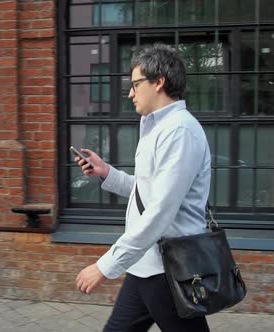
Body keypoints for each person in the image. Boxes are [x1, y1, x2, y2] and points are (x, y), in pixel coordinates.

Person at [74, 44, 211, 332]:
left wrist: (105, 265)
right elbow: (147, 192)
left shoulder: (179, 131)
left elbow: (160, 211)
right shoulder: (156, 127)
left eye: (136, 84)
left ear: (159, 81)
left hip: (169, 269)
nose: (130, 93)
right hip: (146, 263)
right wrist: (106, 172)